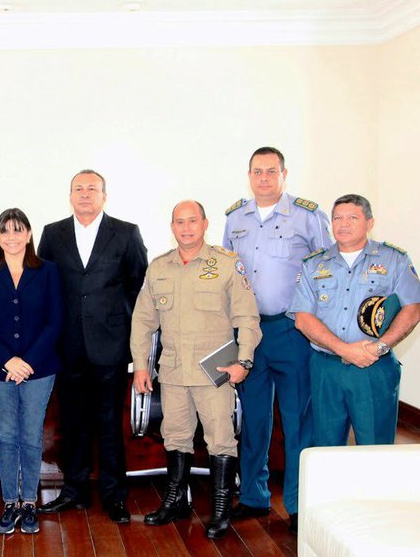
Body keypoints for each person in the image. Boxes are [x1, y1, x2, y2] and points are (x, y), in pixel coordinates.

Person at [132, 200, 262, 539]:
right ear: (172, 226)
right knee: (175, 436)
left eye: (193, 221)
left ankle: (220, 510)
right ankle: (175, 501)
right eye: (179, 222)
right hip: (173, 371)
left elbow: (247, 317)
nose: (186, 227)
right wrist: (141, 366)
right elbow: (143, 321)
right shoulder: (159, 268)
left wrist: (243, 360)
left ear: (205, 224)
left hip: (214, 369)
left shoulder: (226, 264)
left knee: (221, 439)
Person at [222, 147, 331, 535]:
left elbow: (326, 272)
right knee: (253, 420)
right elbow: (227, 276)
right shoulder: (235, 217)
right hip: (250, 333)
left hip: (292, 331)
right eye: (257, 172)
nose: (264, 178)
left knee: (298, 421)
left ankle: (300, 505)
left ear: (284, 174)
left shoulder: (308, 216)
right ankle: (253, 496)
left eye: (271, 171)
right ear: (248, 175)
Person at [36, 169, 148, 523]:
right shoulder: (53, 234)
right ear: (70, 195)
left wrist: (126, 335)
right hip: (67, 345)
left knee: (109, 422)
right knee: (72, 422)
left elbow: (138, 288)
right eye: (78, 189)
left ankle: (115, 496)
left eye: (92, 189)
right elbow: (44, 286)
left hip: (110, 346)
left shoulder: (126, 232)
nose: (85, 194)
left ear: (104, 195)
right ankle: (75, 491)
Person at [291, 194, 420, 449]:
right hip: (327, 369)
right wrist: (344, 349)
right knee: (325, 447)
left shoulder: (394, 259)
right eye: (337, 218)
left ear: (370, 223)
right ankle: (332, 491)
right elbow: (303, 318)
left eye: (352, 217)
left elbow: (413, 309)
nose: (343, 224)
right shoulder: (314, 264)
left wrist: (380, 347)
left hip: (374, 367)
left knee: (375, 447)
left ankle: (375, 491)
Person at [0, 208, 62, 535]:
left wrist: (27, 362)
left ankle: (29, 503)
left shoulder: (48, 271)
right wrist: (7, 360)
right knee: (7, 436)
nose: (11, 237)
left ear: (28, 235)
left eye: (18, 230)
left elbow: (55, 321)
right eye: (5, 231)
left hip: (39, 369)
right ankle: (10, 501)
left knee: (30, 436)